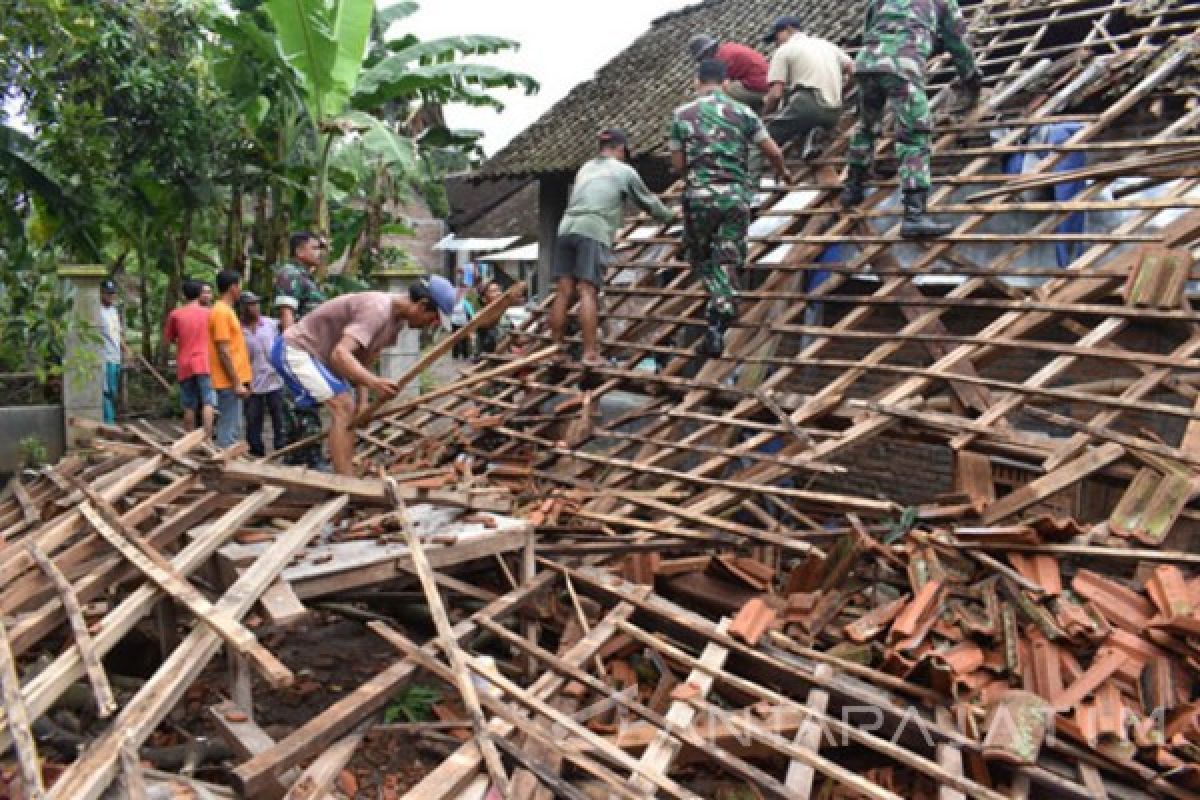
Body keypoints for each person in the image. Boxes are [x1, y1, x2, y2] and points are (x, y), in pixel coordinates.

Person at [269, 278, 456, 476]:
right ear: (422, 305)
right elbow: (341, 354)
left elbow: (362, 360)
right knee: (343, 407)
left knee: (350, 411)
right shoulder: (377, 310)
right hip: (295, 350)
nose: (431, 325)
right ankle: (345, 482)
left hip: (318, 358)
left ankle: (346, 475)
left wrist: (364, 403)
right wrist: (374, 382)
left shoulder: (395, 323)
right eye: (434, 318)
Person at [670, 59, 792, 356]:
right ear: (726, 83)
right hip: (736, 198)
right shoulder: (745, 112)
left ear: (696, 81)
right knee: (728, 256)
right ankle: (719, 319)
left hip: (700, 198)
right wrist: (783, 172)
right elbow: (772, 150)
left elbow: (677, 165)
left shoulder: (682, 114)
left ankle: (717, 308)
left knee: (700, 257)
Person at [841, 0, 983, 237]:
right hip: (902, 64)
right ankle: (914, 216)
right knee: (914, 135)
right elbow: (958, 43)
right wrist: (971, 77)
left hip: (866, 63)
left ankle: (852, 188)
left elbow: (868, 29)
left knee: (866, 127)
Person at [550, 128, 675, 367]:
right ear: (621, 149)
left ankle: (556, 350)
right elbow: (650, 203)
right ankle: (590, 354)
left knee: (563, 291)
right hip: (592, 228)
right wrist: (672, 217)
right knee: (588, 290)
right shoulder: (624, 171)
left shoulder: (585, 168)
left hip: (566, 228)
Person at [761, 16, 854, 160]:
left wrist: (764, 118)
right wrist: (843, 90)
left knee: (760, 142)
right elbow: (853, 70)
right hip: (834, 112)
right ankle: (812, 137)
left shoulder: (784, 50)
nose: (776, 42)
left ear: (789, 30)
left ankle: (749, 178)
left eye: (776, 36)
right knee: (799, 122)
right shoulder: (826, 44)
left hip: (808, 106)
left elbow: (775, 94)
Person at [163, 279, 215, 436]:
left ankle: (189, 439)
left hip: (185, 363)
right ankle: (207, 438)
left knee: (189, 405)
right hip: (205, 362)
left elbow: (169, 338)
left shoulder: (176, 314)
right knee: (208, 401)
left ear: (183, 295)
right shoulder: (210, 313)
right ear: (200, 294)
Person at [208, 270, 252, 449]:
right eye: (239, 285)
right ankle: (223, 464)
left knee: (233, 426)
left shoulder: (227, 311)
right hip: (227, 382)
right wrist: (236, 382)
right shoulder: (221, 313)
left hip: (234, 380)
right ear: (233, 287)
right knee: (228, 429)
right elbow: (223, 351)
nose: (240, 289)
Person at [240, 292, 287, 457]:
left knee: (278, 415)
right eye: (251, 305)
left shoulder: (269, 324)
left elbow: (287, 327)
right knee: (253, 418)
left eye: (256, 304)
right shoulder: (239, 330)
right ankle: (256, 449)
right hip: (251, 380)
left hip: (274, 377)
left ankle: (281, 446)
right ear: (243, 308)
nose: (255, 308)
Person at [687, 34, 770, 111]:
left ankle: (731, 120)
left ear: (705, 53)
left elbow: (717, 84)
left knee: (719, 93)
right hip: (763, 84)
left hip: (762, 89)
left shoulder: (721, 59)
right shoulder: (727, 49)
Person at [275, 231, 327, 330]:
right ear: (299, 251)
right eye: (314, 248)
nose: (319, 253)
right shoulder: (290, 273)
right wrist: (289, 343)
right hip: (299, 340)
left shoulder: (304, 276)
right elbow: (286, 312)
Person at [99, 278, 125, 425]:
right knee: (106, 390)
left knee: (113, 390)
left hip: (116, 356)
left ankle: (111, 418)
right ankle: (109, 422)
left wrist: (125, 348)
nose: (110, 296)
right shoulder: (97, 311)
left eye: (112, 294)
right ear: (101, 294)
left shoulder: (114, 311)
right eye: (107, 294)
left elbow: (117, 333)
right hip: (105, 356)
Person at [475, 280, 513, 356]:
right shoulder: (481, 315)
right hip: (487, 361)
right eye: (493, 291)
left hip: (505, 359)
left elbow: (515, 338)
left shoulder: (505, 315)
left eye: (499, 290)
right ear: (484, 298)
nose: (498, 293)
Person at [450, 288, 475, 359]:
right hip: (454, 323)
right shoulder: (452, 302)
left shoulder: (465, 302)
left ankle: (465, 355)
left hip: (463, 323)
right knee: (455, 339)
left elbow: (471, 312)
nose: (458, 295)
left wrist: (471, 322)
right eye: (456, 293)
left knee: (464, 339)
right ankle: (455, 355)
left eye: (459, 294)